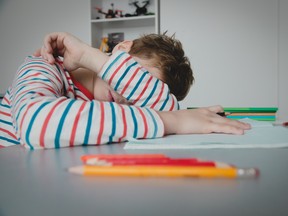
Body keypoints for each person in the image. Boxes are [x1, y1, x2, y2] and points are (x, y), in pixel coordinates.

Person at [0, 32, 250, 149]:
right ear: (122, 49)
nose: (126, 99)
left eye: (141, 94)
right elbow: (38, 125)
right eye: (136, 78)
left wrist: (95, 59)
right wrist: (90, 55)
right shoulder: (44, 65)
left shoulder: (120, 109)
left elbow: (170, 108)